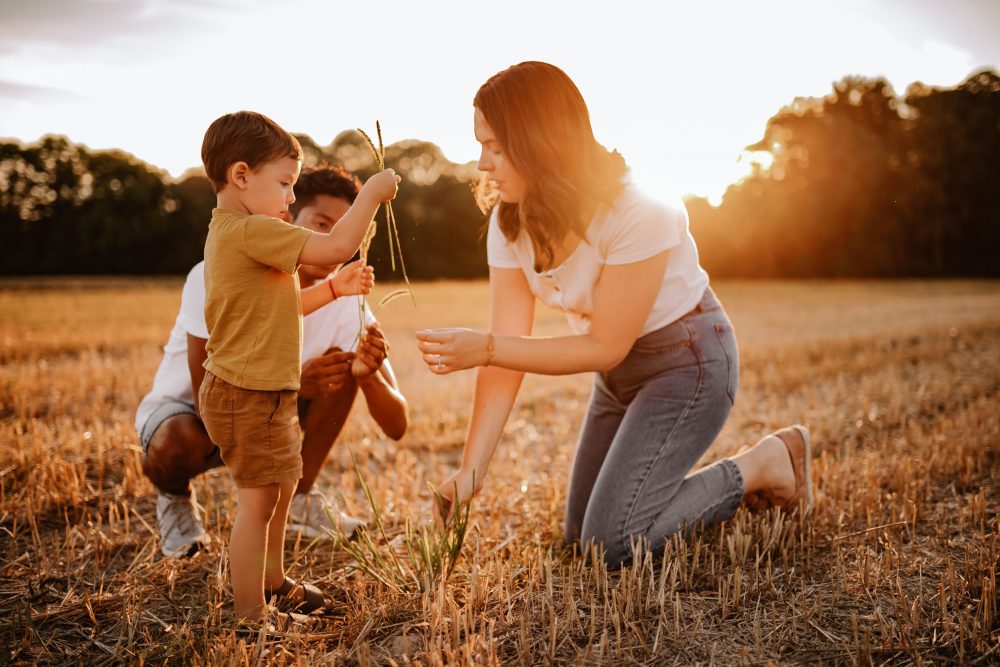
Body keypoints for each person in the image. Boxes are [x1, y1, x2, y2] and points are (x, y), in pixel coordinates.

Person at [416, 62, 812, 568]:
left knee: (613, 545)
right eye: (480, 146)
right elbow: (507, 350)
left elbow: (605, 344)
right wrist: (472, 469)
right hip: (617, 379)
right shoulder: (508, 221)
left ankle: (765, 463)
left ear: (539, 141)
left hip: (689, 363)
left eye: (494, 147)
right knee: (580, 535)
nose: (481, 165)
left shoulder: (638, 208)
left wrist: (486, 346)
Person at [135, 164, 408, 562]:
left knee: (342, 366)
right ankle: (173, 498)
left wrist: (365, 376)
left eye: (346, 229)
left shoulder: (349, 301)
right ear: (287, 218)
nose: (333, 240)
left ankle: (299, 499)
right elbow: (206, 397)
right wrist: (296, 384)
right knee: (177, 445)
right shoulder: (217, 275)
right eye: (321, 223)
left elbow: (397, 426)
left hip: (269, 413)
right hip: (196, 412)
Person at [195, 110, 398, 623]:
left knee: (283, 487)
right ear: (241, 176)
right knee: (258, 503)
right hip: (248, 395)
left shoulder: (237, 235)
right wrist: (370, 194)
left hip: (264, 393)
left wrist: (333, 288)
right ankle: (250, 615)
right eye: (284, 183)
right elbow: (336, 245)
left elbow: (282, 304)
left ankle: (274, 582)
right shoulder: (249, 229)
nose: (291, 197)